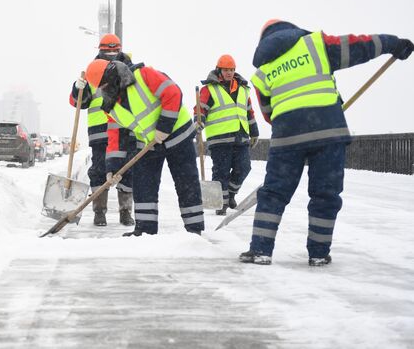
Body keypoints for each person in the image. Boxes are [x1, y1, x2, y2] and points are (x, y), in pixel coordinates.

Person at [240, 19, 414, 266]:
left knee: (274, 194)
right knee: (325, 195)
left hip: (287, 137)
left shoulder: (262, 73)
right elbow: (359, 46)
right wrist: (393, 44)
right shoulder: (316, 45)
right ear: (292, 30)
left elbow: (268, 114)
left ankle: (260, 250)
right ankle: (319, 254)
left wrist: (295, 119)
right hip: (328, 131)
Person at [84, 59, 204, 237]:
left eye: (107, 84)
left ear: (113, 75)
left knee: (186, 183)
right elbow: (115, 137)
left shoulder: (143, 75)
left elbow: (173, 93)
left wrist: (164, 127)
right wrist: (112, 168)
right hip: (150, 144)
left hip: (178, 135)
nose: (106, 89)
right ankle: (145, 230)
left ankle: (194, 230)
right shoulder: (110, 105)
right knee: (142, 184)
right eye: (102, 87)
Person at [69, 33, 135, 226]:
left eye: (115, 51)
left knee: (126, 170)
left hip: (124, 128)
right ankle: (99, 212)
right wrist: (77, 88)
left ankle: (125, 212)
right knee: (99, 171)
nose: (112, 55)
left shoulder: (130, 70)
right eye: (108, 52)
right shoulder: (92, 71)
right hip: (100, 130)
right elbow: (78, 102)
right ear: (100, 51)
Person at [197, 54, 259, 216]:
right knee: (221, 172)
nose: (229, 73)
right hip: (220, 139)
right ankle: (221, 204)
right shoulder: (208, 90)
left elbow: (249, 113)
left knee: (244, 168)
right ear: (219, 70)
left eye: (231, 70)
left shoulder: (243, 90)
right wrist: (199, 121)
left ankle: (230, 195)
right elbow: (200, 108)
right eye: (226, 70)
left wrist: (254, 132)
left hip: (241, 137)